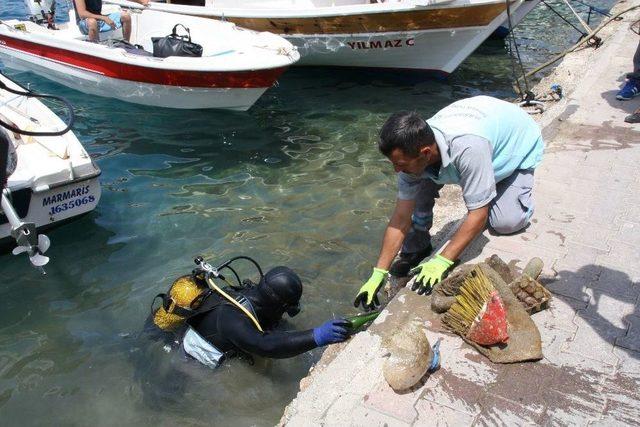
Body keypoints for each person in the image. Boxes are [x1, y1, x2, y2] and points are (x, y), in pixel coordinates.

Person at [353, 95, 544, 310]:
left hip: (513, 148)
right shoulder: (414, 150)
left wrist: (443, 260)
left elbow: (478, 214)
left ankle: (498, 183)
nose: (396, 170)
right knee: (417, 182)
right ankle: (418, 248)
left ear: (425, 153)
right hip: (481, 128)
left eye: (401, 165)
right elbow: (400, 218)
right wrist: (378, 273)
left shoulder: (468, 148)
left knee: (506, 223)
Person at [150, 266, 349, 369]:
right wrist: (317, 336)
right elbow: (265, 346)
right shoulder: (234, 320)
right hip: (189, 365)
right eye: (287, 309)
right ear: (279, 305)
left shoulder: (241, 293)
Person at [72, 0, 149, 42]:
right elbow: (82, 14)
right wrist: (104, 18)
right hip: (84, 23)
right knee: (92, 22)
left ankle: (126, 44)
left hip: (100, 19)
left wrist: (141, 1)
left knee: (126, 16)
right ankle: (96, 49)